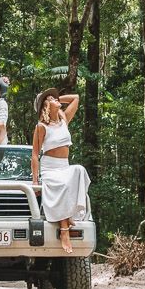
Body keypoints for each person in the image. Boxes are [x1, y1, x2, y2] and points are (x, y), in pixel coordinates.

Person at [31, 87, 90, 253]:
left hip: (64, 166)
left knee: (79, 170)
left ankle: (70, 216)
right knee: (63, 184)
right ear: (44, 106)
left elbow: (76, 98)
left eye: (55, 98)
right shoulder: (41, 127)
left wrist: (54, 99)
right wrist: (35, 181)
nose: (56, 99)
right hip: (50, 168)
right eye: (50, 99)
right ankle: (64, 230)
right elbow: (35, 155)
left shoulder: (64, 119)